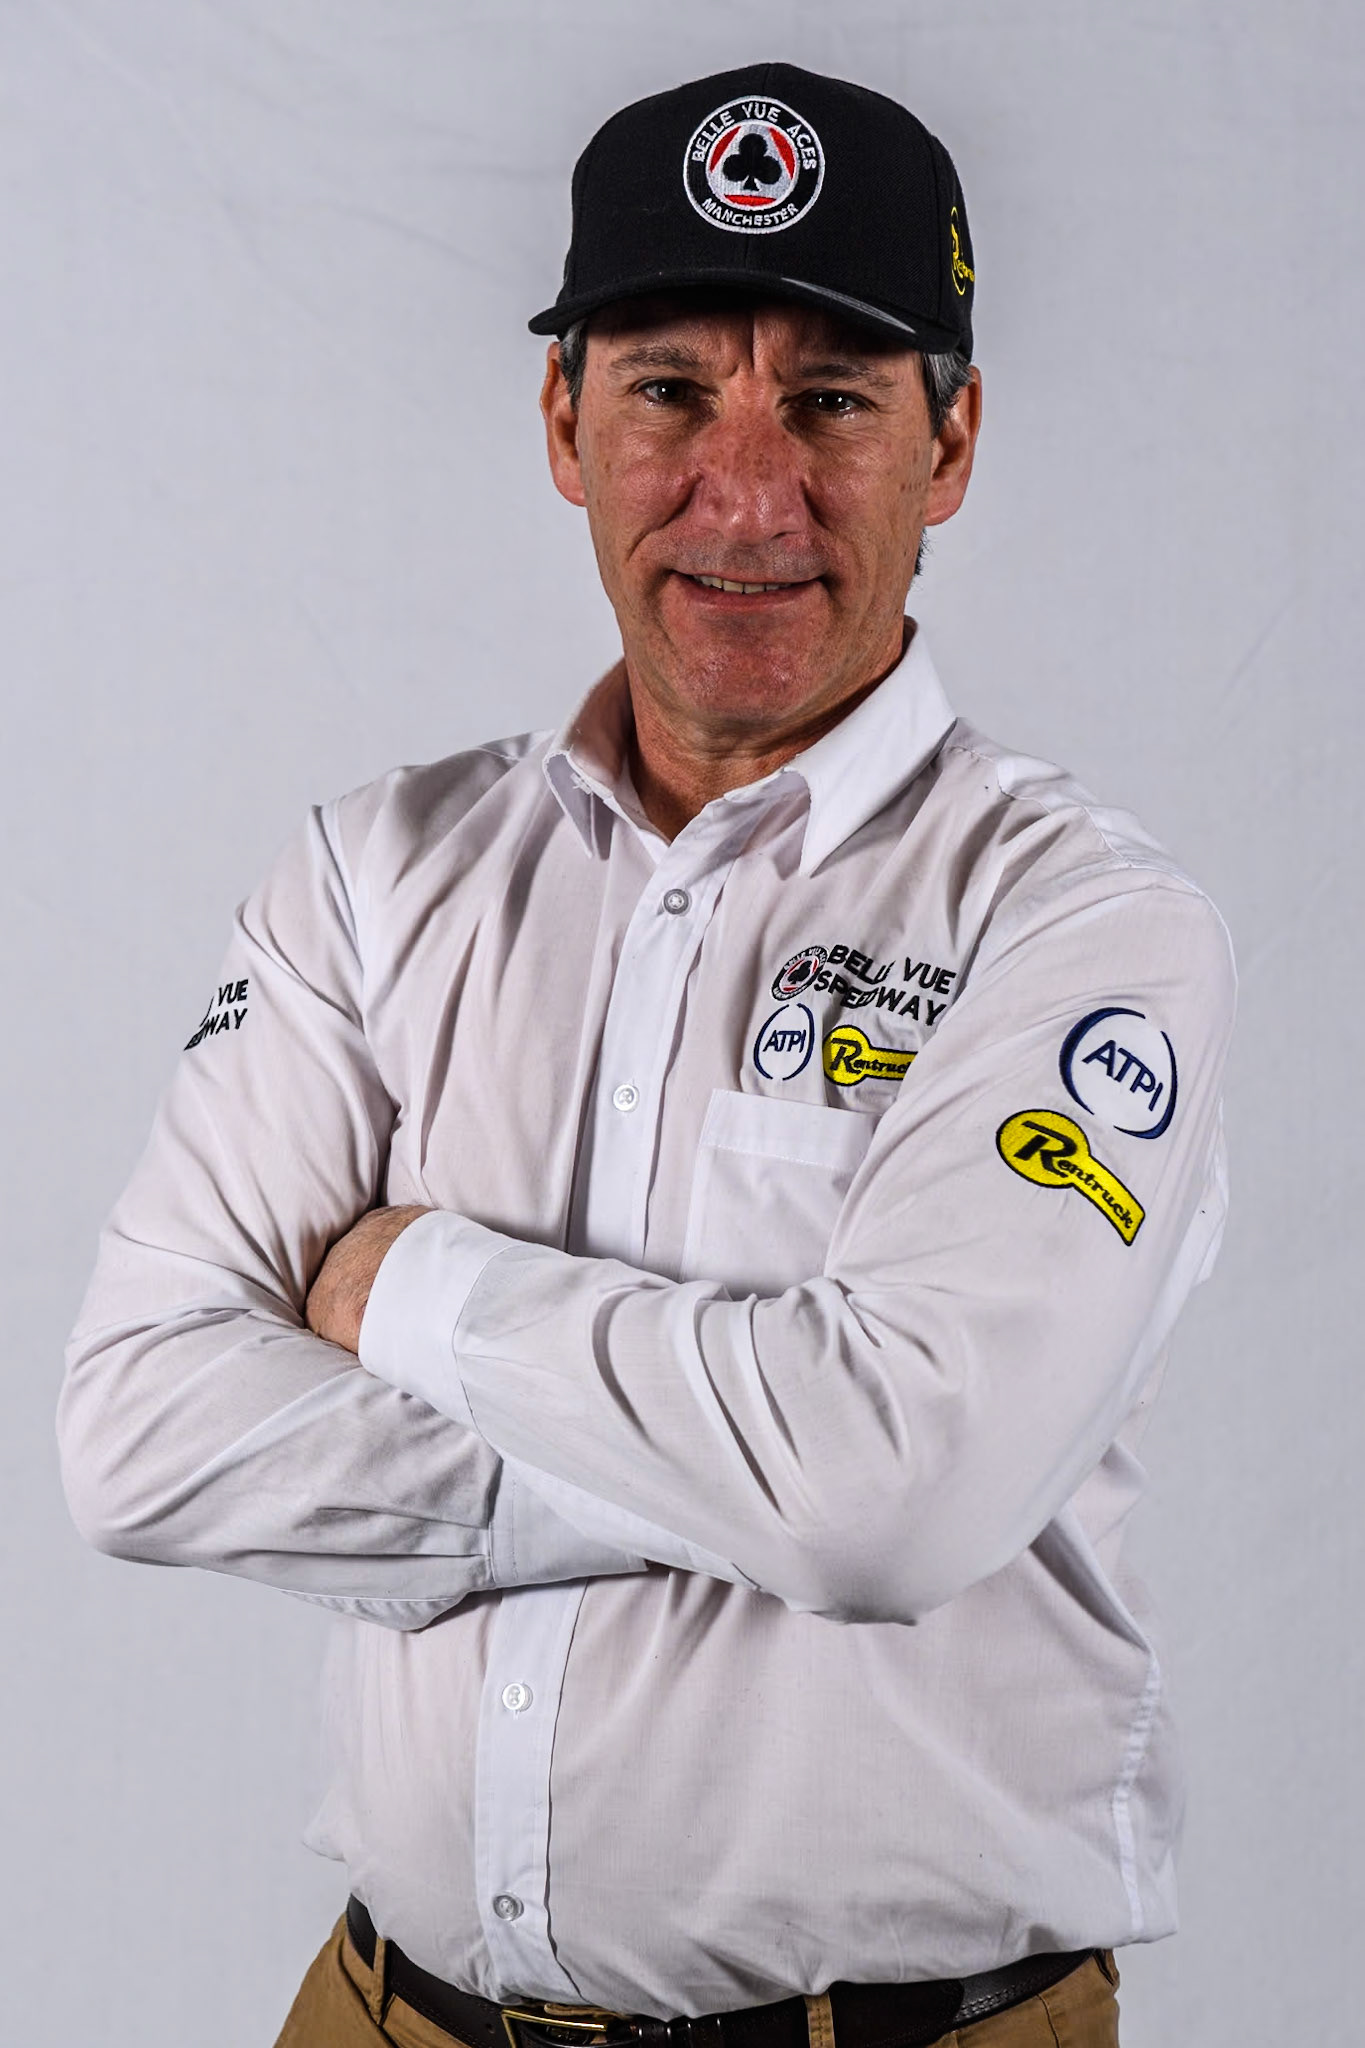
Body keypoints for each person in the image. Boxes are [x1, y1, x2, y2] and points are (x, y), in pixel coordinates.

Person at [59, 60, 1234, 2048]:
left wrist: (404, 1283)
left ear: (948, 446)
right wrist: (751, 1454)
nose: (746, 493)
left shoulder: (1081, 926)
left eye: (836, 402)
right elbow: (137, 1433)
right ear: (563, 424)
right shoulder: (375, 876)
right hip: (383, 2015)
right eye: (671, 391)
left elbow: (888, 1501)